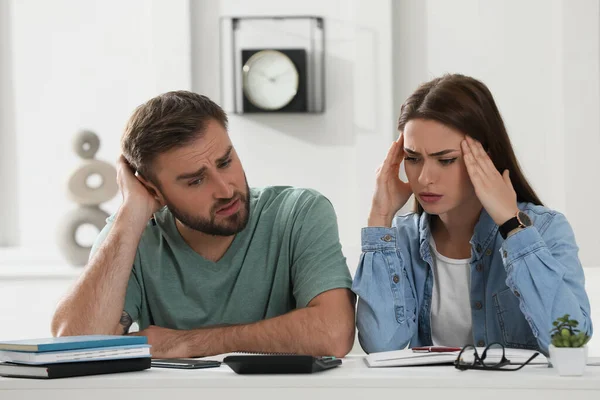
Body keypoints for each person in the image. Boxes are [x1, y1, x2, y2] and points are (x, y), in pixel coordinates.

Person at [51, 91, 355, 358]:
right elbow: (75, 345)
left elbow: (333, 333)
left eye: (225, 162)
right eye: (196, 180)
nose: (225, 190)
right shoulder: (129, 235)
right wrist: (131, 212)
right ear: (153, 190)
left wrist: (188, 343)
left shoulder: (298, 213)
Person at [352, 74, 592, 355]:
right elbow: (381, 345)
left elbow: (569, 339)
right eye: (413, 158)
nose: (425, 178)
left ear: (486, 156)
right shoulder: (400, 239)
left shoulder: (546, 229)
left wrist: (513, 226)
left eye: (446, 160)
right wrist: (379, 218)